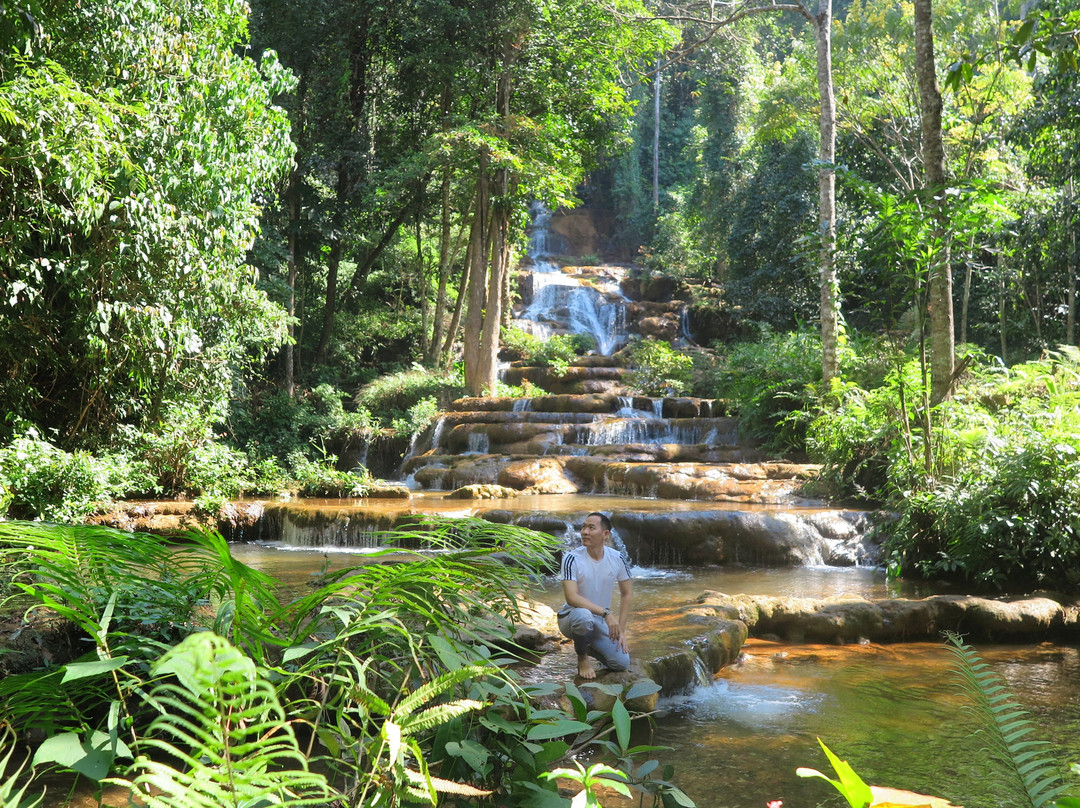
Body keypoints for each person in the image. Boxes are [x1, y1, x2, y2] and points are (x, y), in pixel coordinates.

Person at [557, 512, 632, 679]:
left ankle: (585, 644)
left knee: (621, 663)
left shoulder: (617, 558)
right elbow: (571, 597)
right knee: (584, 617)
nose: (584, 532)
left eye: (591, 528)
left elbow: (626, 594)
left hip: (598, 621)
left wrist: (621, 630)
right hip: (572, 617)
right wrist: (606, 613)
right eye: (583, 527)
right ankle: (582, 658)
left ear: (605, 534)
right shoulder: (571, 558)